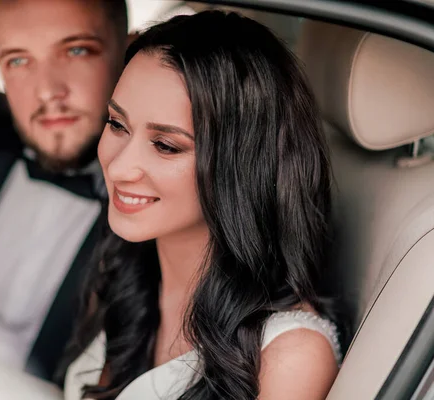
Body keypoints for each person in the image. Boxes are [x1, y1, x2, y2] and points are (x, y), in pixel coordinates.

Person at [62, 11, 343, 400]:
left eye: (166, 145)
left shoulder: (289, 357)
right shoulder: (127, 273)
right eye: (117, 124)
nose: (120, 166)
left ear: (240, 166)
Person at [0, 0, 129, 381]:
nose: (47, 92)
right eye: (18, 61)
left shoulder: (162, 214)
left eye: (76, 50)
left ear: (128, 50)